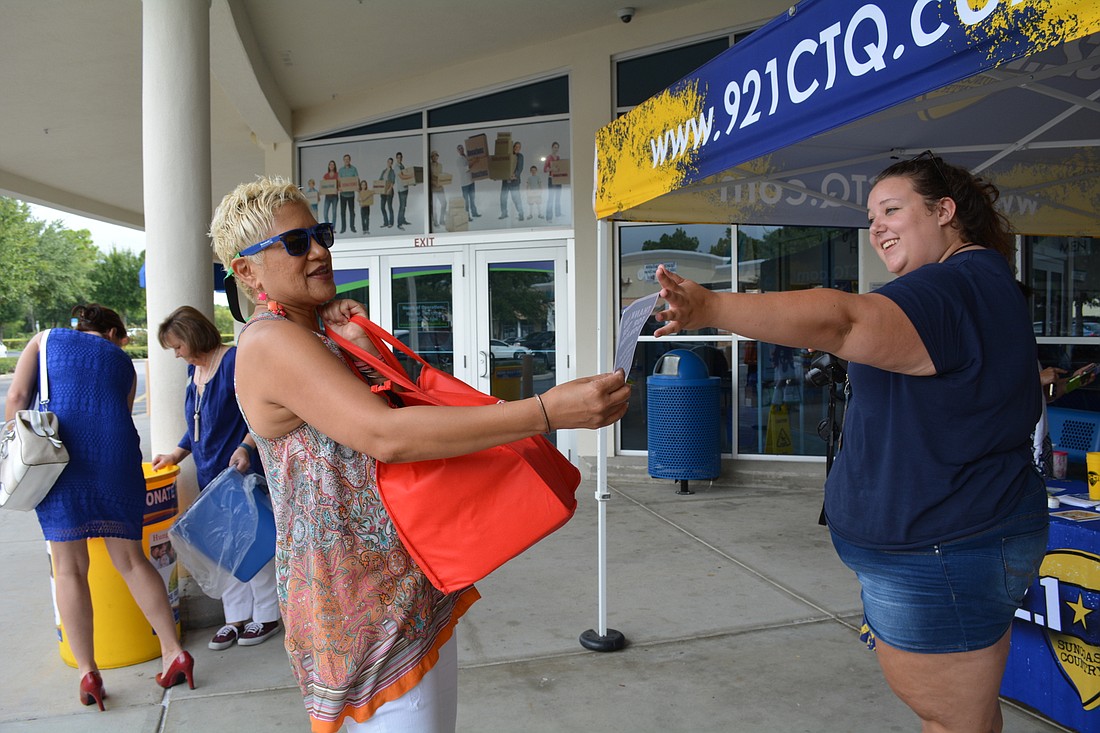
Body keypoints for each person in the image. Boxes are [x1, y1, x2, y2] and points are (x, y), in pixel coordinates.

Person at [210, 176, 629, 733]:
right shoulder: (269, 342)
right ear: (246, 270)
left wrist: (365, 349)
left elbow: (407, 417)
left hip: (405, 588)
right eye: (294, 243)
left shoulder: (316, 333)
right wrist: (544, 412)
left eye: (320, 234)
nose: (318, 251)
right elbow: (387, 435)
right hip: (361, 613)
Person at [654, 152, 1048, 733]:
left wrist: (713, 306)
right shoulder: (966, 286)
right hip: (945, 540)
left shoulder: (953, 287)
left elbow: (842, 322)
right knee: (964, 715)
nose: (877, 226)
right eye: (871, 216)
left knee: (951, 719)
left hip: (942, 546)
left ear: (945, 212)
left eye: (892, 209)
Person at [4, 304, 194, 711]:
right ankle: (173, 650)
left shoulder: (44, 340)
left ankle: (88, 672)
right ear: (111, 333)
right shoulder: (122, 362)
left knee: (69, 568)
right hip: (116, 460)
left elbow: (18, 397)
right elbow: (120, 414)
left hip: (60, 461)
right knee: (132, 561)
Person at [151, 305, 281, 651]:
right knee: (223, 550)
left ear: (192, 337)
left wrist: (245, 448)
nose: (177, 354)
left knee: (254, 545)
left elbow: (260, 412)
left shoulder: (233, 362)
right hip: (211, 477)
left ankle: (266, 614)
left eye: (178, 346)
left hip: (241, 473)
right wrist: (176, 454)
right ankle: (235, 617)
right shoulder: (194, 372)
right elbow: (196, 425)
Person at [499, 140, 524, 221]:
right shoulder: (507, 156)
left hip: (514, 182)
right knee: (503, 198)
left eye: (519, 147)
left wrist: (515, 175)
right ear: (513, 147)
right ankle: (504, 213)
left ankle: (521, 214)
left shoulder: (520, 156)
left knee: (516, 199)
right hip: (505, 182)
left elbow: (520, 168)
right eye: (516, 147)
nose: (517, 148)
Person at [456, 143, 479, 218]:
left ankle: (474, 213)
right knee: (466, 201)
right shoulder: (458, 160)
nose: (461, 150)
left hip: (471, 181)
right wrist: (474, 162)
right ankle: (467, 216)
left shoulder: (467, 157)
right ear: (457, 151)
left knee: (472, 198)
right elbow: (465, 169)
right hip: (465, 183)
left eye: (462, 148)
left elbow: (472, 166)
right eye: (459, 149)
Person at [338, 154, 359, 234]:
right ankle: (343, 228)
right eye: (345, 159)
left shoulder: (354, 169)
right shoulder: (341, 170)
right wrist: (339, 187)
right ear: (344, 161)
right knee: (343, 212)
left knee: (352, 212)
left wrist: (357, 187)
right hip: (343, 194)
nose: (346, 161)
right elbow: (339, 181)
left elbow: (356, 180)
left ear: (350, 160)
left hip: (351, 194)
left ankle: (352, 227)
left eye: (348, 159)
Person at [542, 141, 563, 222]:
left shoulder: (558, 158)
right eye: (555, 147)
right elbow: (545, 169)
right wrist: (551, 169)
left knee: (558, 198)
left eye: (557, 147)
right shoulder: (549, 158)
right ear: (552, 148)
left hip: (558, 179)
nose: (556, 149)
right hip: (551, 179)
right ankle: (549, 217)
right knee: (551, 198)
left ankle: (558, 214)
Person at [429, 150, 447, 228]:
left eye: (436, 155)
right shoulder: (429, 166)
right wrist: (433, 182)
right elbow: (428, 177)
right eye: (433, 156)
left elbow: (440, 175)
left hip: (440, 188)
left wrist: (443, 180)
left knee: (444, 203)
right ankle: (435, 221)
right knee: (434, 206)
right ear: (431, 157)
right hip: (433, 189)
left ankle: (442, 220)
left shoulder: (440, 165)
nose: (435, 157)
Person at [395, 151, 412, 229]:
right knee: (402, 206)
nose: (399, 159)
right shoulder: (396, 167)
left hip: (405, 188)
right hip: (401, 189)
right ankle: (399, 224)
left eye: (400, 157)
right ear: (396, 158)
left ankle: (403, 220)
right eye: (398, 157)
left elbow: (405, 176)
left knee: (404, 205)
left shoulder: (402, 165)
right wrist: (412, 177)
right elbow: (402, 177)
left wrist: (412, 182)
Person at [379, 157, 395, 229]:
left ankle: (391, 222)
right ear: (387, 162)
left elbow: (392, 181)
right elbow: (380, 180)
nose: (389, 163)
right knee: (382, 207)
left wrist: (390, 189)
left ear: (392, 163)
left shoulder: (392, 172)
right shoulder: (384, 171)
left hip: (389, 191)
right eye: (389, 162)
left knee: (389, 207)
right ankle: (385, 222)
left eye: (391, 162)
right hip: (383, 191)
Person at [321, 160, 339, 225]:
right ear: (328, 166)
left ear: (334, 166)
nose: (331, 166)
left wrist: (338, 189)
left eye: (332, 165)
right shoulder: (326, 176)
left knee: (334, 212)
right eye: (330, 165)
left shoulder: (337, 175)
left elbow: (340, 185)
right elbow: (323, 185)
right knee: (325, 213)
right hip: (327, 196)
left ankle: (333, 227)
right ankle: (328, 226)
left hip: (334, 196)